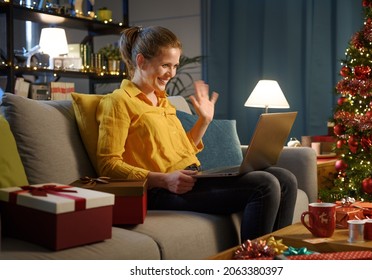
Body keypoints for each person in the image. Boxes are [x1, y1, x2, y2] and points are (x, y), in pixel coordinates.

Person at [96, 25, 298, 242]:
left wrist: (204, 120)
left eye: (174, 66)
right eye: (165, 65)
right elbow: (108, 165)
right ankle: (254, 262)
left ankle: (279, 253)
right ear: (141, 61)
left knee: (285, 178)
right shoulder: (118, 102)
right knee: (264, 185)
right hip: (159, 190)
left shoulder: (162, 101)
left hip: (191, 177)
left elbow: (183, 149)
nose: (171, 74)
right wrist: (164, 180)